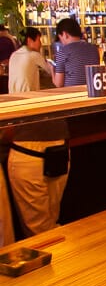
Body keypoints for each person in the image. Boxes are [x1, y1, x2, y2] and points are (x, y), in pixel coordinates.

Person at [7, 27, 69, 236]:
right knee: (51, 222)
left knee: (40, 232)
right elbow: (57, 83)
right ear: (33, 39)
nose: (41, 44)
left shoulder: (15, 57)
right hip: (58, 144)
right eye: (40, 39)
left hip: (29, 146)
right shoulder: (35, 58)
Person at [53, 18, 99, 87]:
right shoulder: (93, 49)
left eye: (60, 38)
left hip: (73, 94)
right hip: (92, 92)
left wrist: (51, 69)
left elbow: (58, 84)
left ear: (65, 34)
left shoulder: (62, 52)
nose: (61, 42)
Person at [8, 27, 54, 91]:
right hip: (28, 97)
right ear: (29, 40)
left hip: (13, 97)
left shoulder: (13, 55)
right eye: (39, 40)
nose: (40, 43)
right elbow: (51, 71)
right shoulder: (33, 55)